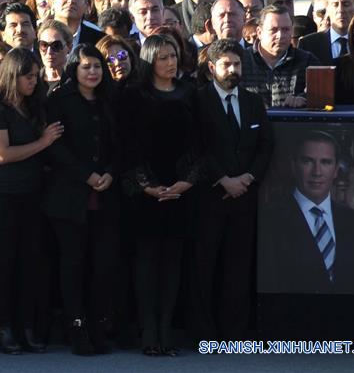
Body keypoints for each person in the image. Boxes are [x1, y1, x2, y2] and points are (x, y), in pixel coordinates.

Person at [0, 47, 64, 354]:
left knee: (31, 260)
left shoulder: (34, 105)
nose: (33, 81)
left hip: (33, 191)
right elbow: (3, 154)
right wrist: (42, 142)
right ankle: (4, 327)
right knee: (4, 260)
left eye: (36, 76)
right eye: (28, 76)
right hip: (1, 192)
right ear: (13, 76)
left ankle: (27, 326)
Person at [124, 33, 199, 356]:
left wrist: (187, 182)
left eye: (173, 56)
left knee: (172, 264)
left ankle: (166, 330)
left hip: (180, 190)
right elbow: (128, 146)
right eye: (163, 58)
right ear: (150, 61)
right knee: (146, 264)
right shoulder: (134, 96)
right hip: (146, 192)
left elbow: (200, 142)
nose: (170, 63)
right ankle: (148, 332)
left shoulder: (189, 92)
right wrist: (147, 185)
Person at [43, 44, 120, 355]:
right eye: (86, 66)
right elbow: (55, 148)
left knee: (102, 264)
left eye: (97, 66)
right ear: (74, 69)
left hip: (106, 195)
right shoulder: (58, 101)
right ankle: (75, 326)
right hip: (69, 195)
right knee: (73, 263)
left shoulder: (110, 100)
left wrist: (111, 173)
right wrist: (86, 175)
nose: (92, 72)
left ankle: (97, 324)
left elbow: (121, 145)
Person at [194, 39, 272, 340]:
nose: (233, 70)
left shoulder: (252, 102)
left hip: (244, 198)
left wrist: (248, 178)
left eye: (237, 64)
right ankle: (204, 332)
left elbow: (266, 144)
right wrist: (223, 179)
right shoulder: (198, 100)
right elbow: (197, 147)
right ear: (212, 68)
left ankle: (235, 332)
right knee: (204, 267)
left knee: (238, 268)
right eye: (226, 64)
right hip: (209, 197)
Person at [259, 131, 354, 295]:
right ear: (293, 165)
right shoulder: (268, 220)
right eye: (307, 161)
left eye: (325, 162)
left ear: (336, 170)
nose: (317, 172)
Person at [241, 5, 316, 108]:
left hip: (291, 122)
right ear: (259, 32)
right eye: (273, 30)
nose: (280, 35)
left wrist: (303, 99)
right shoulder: (241, 61)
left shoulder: (307, 61)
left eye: (286, 29)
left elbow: (320, 94)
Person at [298, 0, 354, 65]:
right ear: (328, 9)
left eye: (346, 4)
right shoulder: (308, 44)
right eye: (335, 4)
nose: (340, 10)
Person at [37, 19, 72, 90]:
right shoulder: (33, 81)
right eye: (44, 45)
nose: (49, 52)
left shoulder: (77, 81)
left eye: (56, 46)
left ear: (69, 47)